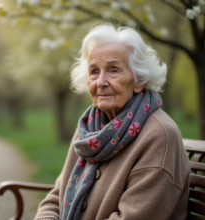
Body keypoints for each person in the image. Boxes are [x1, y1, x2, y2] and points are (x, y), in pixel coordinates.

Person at [34, 24, 190, 220]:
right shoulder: (89, 129)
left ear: (139, 79)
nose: (101, 82)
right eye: (94, 72)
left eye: (113, 70)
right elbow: (58, 194)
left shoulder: (159, 136)